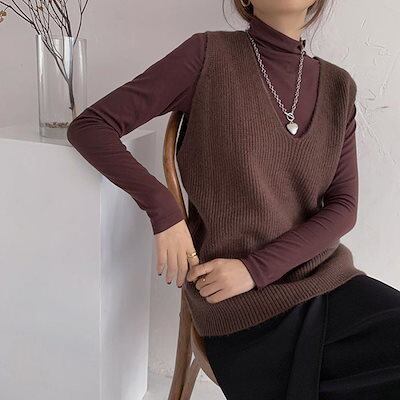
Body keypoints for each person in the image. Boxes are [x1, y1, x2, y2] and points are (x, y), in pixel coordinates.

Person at [67, 1, 400, 398]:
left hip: (327, 281)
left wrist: (256, 269)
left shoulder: (338, 87)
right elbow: (92, 126)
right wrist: (165, 211)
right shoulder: (208, 56)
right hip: (241, 306)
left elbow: (344, 207)